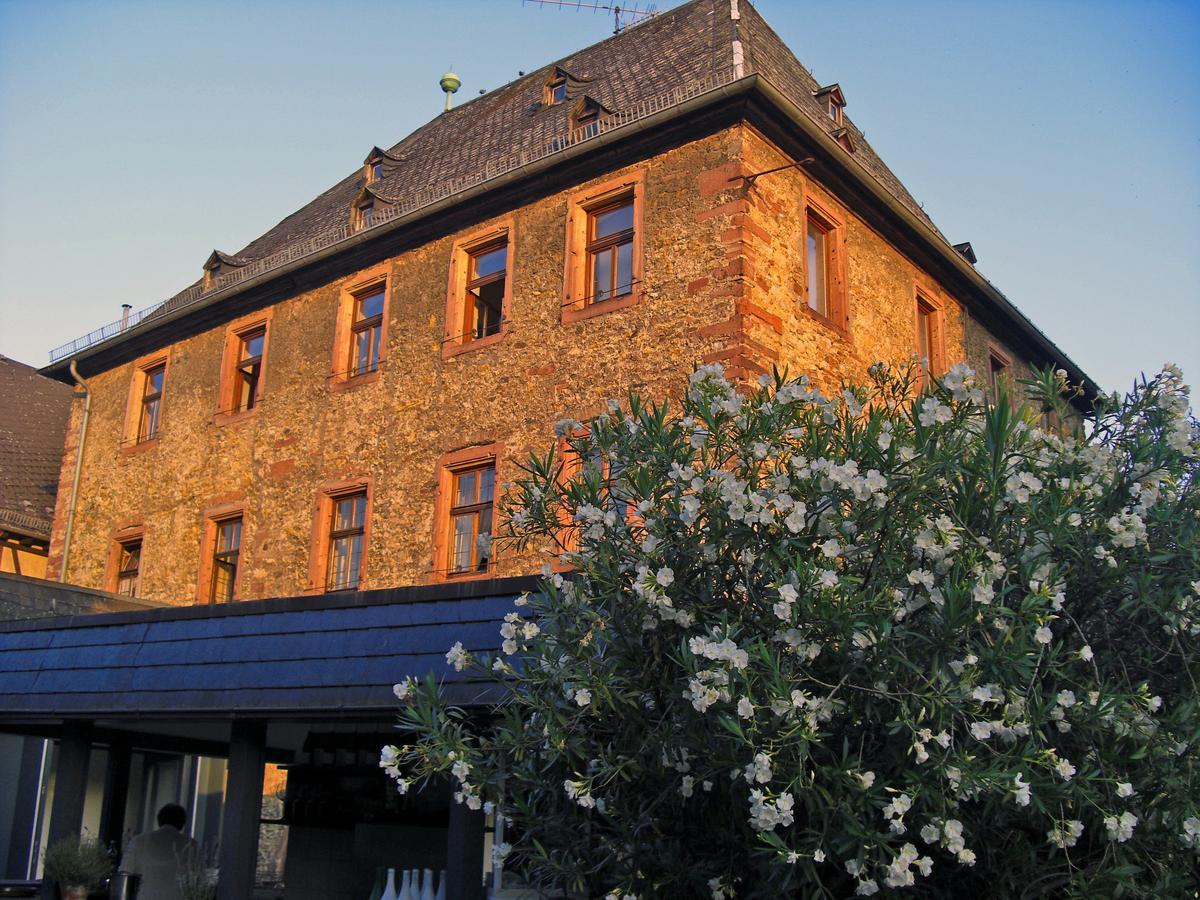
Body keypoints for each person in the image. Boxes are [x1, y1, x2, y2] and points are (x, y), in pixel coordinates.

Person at [119, 803, 201, 900]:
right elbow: (199, 877)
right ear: (182, 823)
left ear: (159, 820)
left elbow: (124, 873)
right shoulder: (191, 845)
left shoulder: (139, 841)